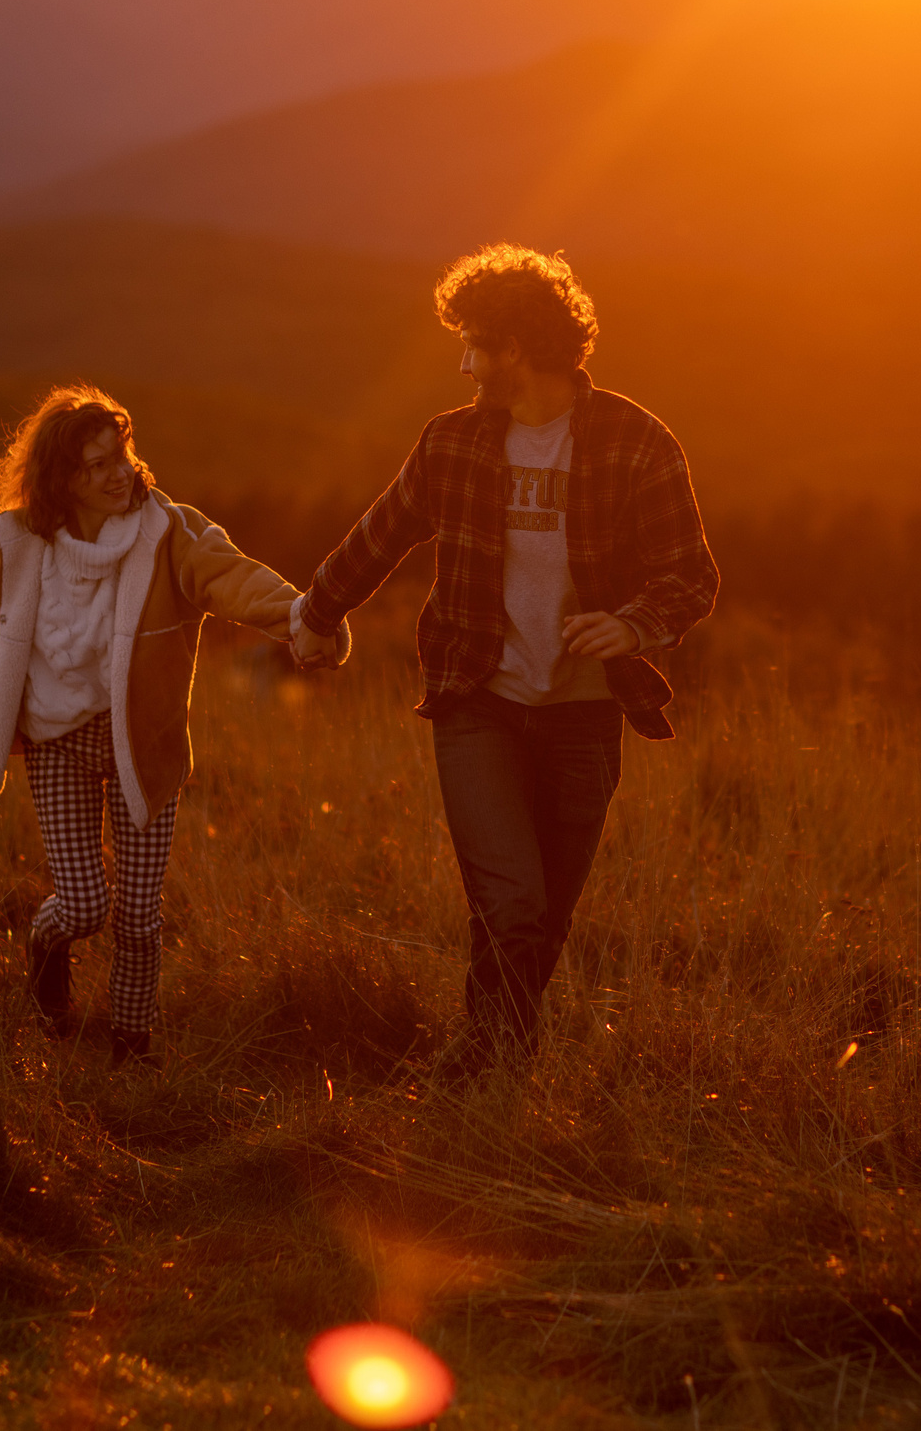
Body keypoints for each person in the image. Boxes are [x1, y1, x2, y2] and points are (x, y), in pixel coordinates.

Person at [291, 245, 719, 1064]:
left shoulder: (636, 443)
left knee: (542, 918)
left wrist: (633, 625)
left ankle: (484, 1069)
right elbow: (380, 537)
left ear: (514, 349)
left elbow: (690, 575)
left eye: (472, 344)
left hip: (584, 717)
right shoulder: (451, 444)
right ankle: (497, 1071)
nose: (462, 363)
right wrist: (317, 612)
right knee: (514, 904)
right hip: (475, 702)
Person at [0, 385, 347, 1067]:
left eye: (122, 454)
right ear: (61, 479)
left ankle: (131, 1047)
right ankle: (45, 946)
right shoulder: (18, 547)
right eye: (96, 465)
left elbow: (231, 578)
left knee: (139, 916)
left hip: (143, 739)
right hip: (54, 740)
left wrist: (302, 617)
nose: (120, 473)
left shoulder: (165, 530)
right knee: (83, 907)